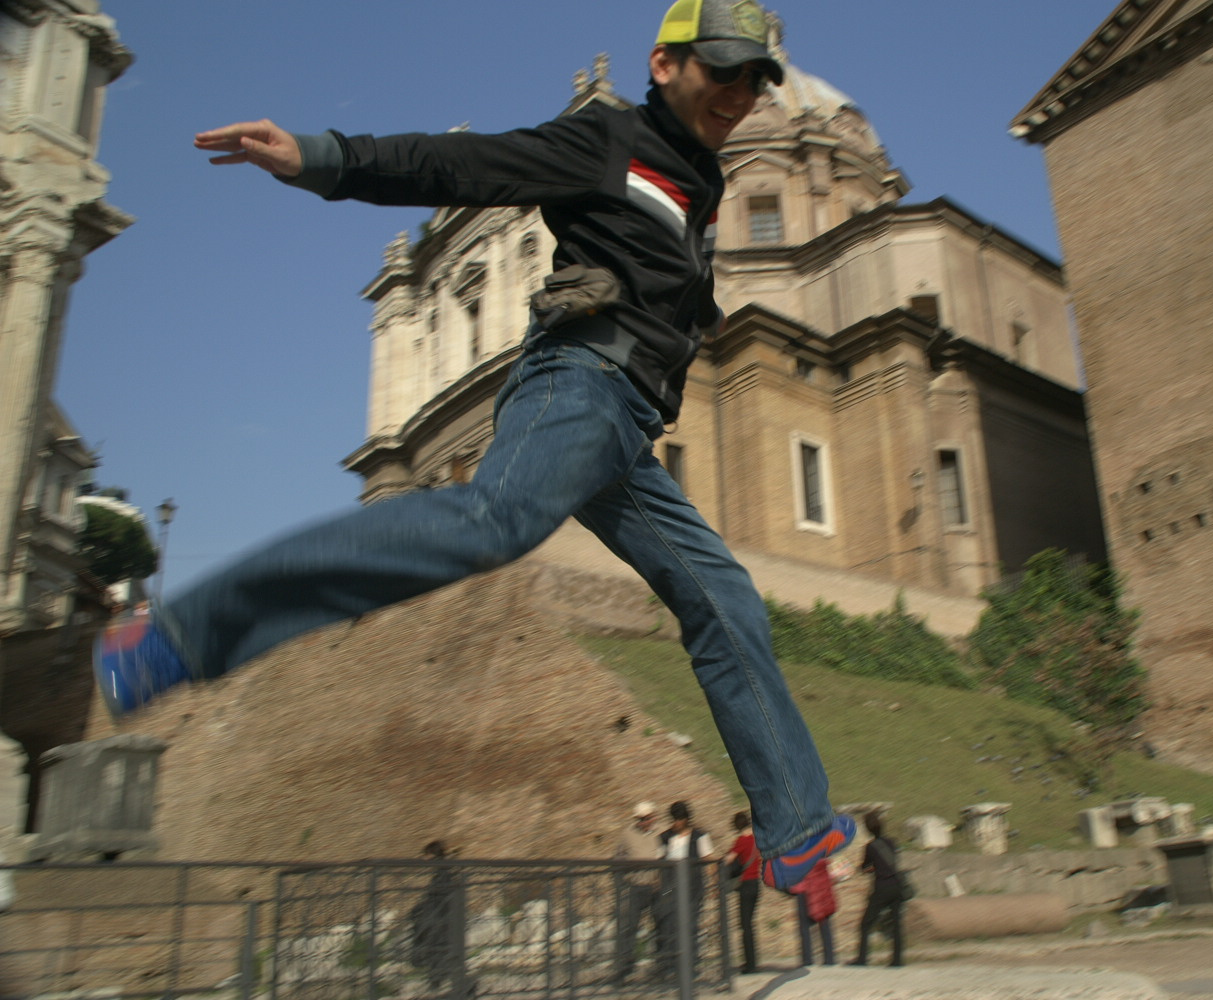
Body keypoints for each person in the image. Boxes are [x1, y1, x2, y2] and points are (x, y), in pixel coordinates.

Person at [93, 0, 853, 891]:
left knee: (724, 600)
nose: (739, 91)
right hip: (578, 385)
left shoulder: (698, 183)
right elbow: (467, 164)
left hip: (627, 427)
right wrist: (325, 157)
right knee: (496, 520)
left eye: (754, 78)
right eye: (721, 68)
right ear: (664, 66)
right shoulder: (612, 140)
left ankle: (795, 827)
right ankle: (174, 637)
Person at [655, 800, 714, 976]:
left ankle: (691, 965)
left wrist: (713, 883)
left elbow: (709, 860)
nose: (677, 822)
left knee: (691, 926)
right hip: (670, 889)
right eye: (674, 819)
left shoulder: (699, 837)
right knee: (670, 925)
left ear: (686, 819)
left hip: (693, 888)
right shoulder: (664, 838)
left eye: (680, 819)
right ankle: (668, 966)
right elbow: (658, 863)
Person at [409, 840, 473, 997]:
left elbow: (438, 899)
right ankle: (454, 988)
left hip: (441, 925)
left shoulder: (443, 874)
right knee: (448, 959)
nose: (423, 859)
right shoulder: (447, 871)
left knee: (440, 958)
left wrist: (419, 911)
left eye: (426, 855)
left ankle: (442, 988)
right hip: (446, 924)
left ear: (431, 855)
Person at [612, 801, 664, 982]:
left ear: (653, 817)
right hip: (636, 886)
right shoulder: (628, 834)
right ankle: (625, 968)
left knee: (660, 925)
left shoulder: (661, 833)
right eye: (641, 819)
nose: (644, 822)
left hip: (656, 886)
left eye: (647, 818)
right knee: (629, 927)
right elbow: (618, 858)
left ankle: (662, 966)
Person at [850, 811, 904, 967]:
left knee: (866, 923)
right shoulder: (892, 842)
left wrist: (869, 869)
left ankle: (862, 958)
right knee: (896, 924)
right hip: (897, 885)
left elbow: (865, 867)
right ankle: (897, 960)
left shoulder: (870, 847)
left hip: (882, 886)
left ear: (868, 829)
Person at [723, 810, 761, 974]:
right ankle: (752, 961)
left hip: (745, 884)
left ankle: (750, 964)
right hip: (756, 884)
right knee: (750, 924)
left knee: (745, 925)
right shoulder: (758, 839)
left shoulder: (741, 841)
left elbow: (728, 859)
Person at [792, 857, 837, 966]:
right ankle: (829, 958)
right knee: (824, 923)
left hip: (804, 887)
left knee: (804, 926)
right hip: (821, 886)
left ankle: (807, 959)